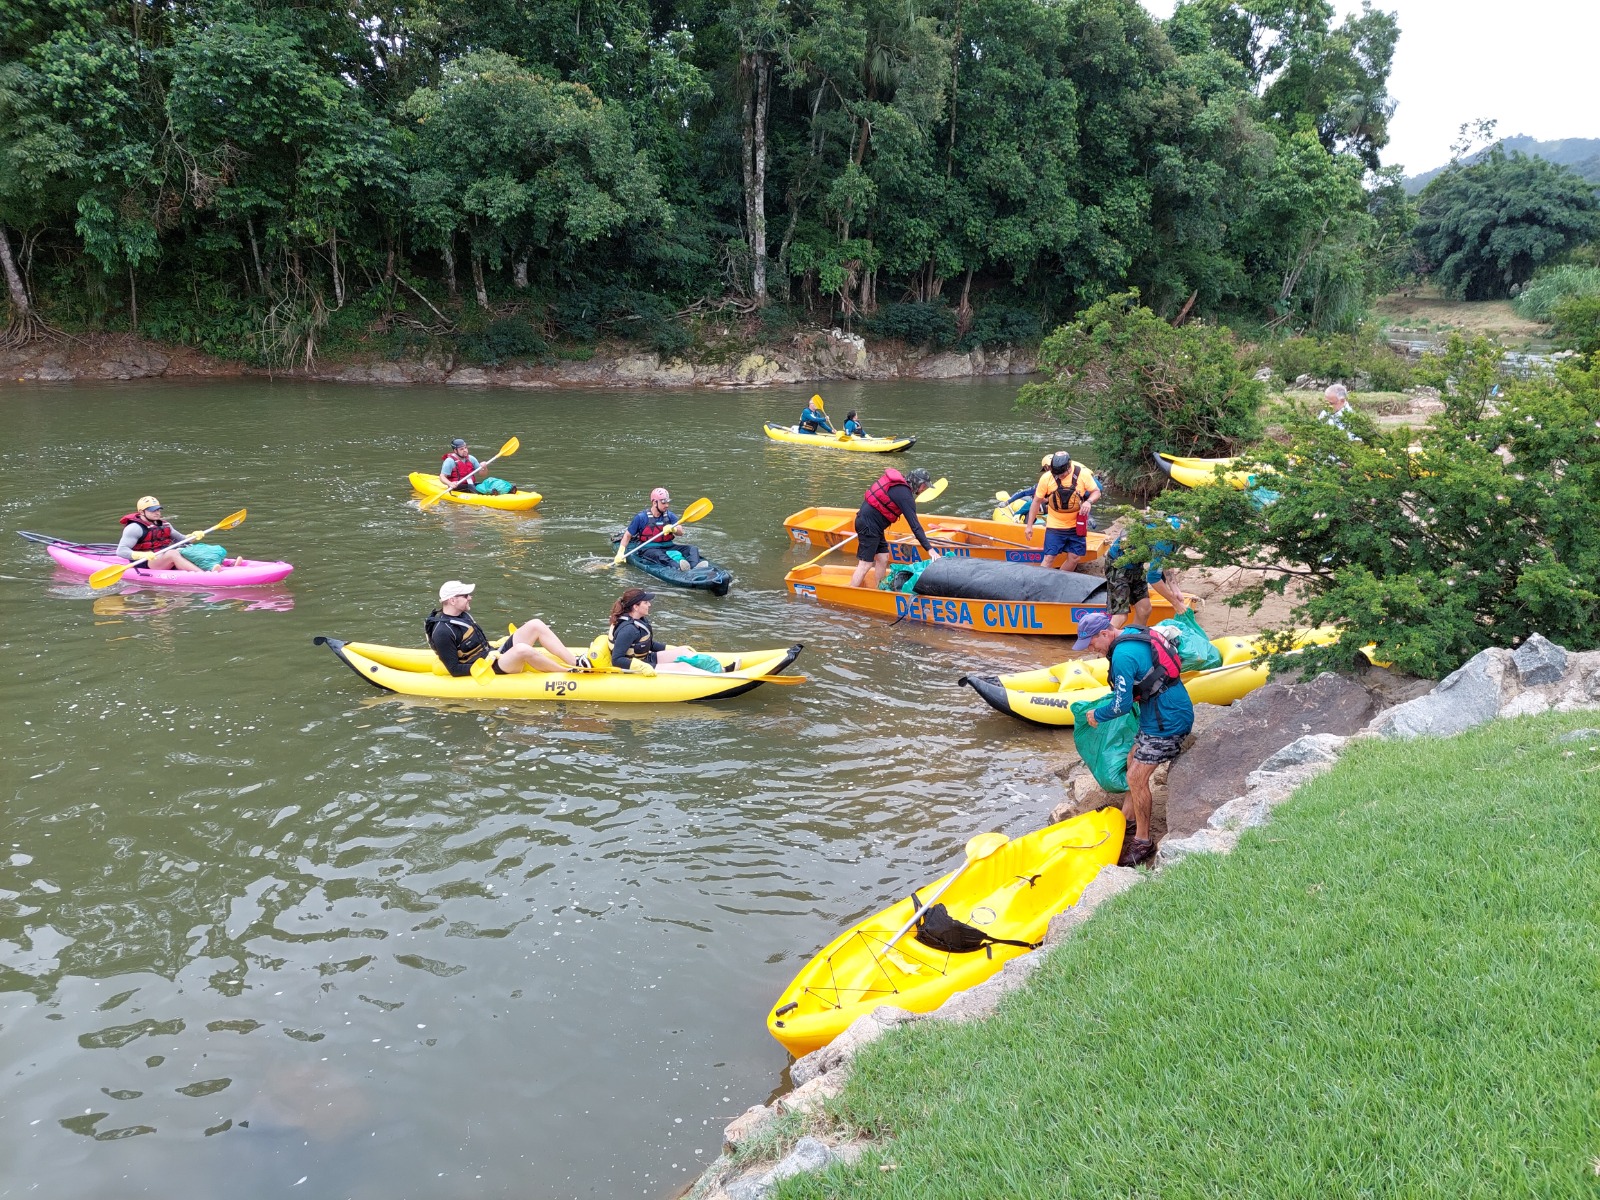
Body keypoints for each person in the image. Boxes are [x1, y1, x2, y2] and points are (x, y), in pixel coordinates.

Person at [1076, 612, 1194, 867]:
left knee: (1136, 777)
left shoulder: (1122, 656)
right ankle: (1127, 817)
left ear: (1105, 634)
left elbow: (1121, 705)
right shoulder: (1131, 633)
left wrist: (1097, 714)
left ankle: (1142, 841)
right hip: (1160, 713)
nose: (1092, 650)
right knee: (1132, 758)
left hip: (1168, 720)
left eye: (1092, 643)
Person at [425, 580, 587, 676]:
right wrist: (487, 663)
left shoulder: (462, 615)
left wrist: (493, 653)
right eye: (466, 595)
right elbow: (454, 669)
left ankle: (576, 662)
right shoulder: (442, 632)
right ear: (452, 601)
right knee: (522, 649)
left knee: (535, 624)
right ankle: (566, 673)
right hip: (488, 667)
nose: (470, 597)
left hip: (492, 655)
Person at [848, 467, 935, 589]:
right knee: (865, 564)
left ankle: (880, 589)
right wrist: (930, 549)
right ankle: (851, 590)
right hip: (868, 525)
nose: (924, 489)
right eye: (924, 486)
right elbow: (915, 526)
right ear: (917, 483)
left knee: (883, 558)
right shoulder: (904, 496)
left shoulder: (902, 488)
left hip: (874, 525)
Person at [1104, 516, 1189, 629]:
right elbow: (1153, 578)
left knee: (1145, 609)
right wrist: (1175, 603)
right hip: (1117, 564)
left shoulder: (1180, 528)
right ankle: (1103, 643)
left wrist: (1175, 590)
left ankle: (1134, 641)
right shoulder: (1166, 540)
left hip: (1136, 565)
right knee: (1121, 616)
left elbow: (1165, 561)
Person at [1024, 452, 1102, 572]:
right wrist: (1029, 526)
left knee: (1075, 557)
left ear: (1069, 467)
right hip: (1055, 525)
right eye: (1056, 474)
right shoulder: (1046, 478)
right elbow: (1036, 501)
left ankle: (1060, 579)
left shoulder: (1082, 474)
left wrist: (1089, 502)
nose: (1059, 476)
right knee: (1049, 557)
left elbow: (1096, 492)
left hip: (1076, 524)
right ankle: (1040, 583)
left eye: (1062, 474)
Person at [609, 589, 716, 674]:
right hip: (636, 666)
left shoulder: (640, 620)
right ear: (636, 607)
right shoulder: (628, 629)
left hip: (645, 659)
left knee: (684, 652)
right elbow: (617, 659)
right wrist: (642, 666)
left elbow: (648, 644)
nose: (649, 605)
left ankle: (720, 670)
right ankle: (717, 678)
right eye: (646, 602)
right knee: (683, 666)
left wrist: (674, 649)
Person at [614, 488, 702, 570]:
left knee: (692, 549)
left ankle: (695, 566)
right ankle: (679, 568)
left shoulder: (670, 515)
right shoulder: (641, 518)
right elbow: (627, 535)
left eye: (667, 502)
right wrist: (620, 552)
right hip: (648, 548)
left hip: (668, 546)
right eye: (663, 503)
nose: (667, 505)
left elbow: (680, 532)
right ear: (654, 503)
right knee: (659, 555)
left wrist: (674, 529)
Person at [116, 497, 206, 572]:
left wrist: (194, 536)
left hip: (161, 557)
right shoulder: (134, 528)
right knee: (172, 553)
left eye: (158, 510)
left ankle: (212, 568)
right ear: (141, 512)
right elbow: (121, 551)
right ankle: (202, 575)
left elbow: (183, 541)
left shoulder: (165, 525)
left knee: (191, 549)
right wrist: (141, 555)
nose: (157, 513)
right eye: (152, 511)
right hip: (145, 562)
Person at [439, 439, 517, 496]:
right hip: (457, 486)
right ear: (455, 451)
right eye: (461, 449)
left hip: (471, 484)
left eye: (465, 448)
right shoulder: (450, 461)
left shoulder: (471, 458)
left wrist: (484, 467)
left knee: (490, 480)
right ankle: (492, 493)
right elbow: (442, 476)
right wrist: (450, 483)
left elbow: (483, 474)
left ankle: (509, 489)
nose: (465, 450)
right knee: (476, 488)